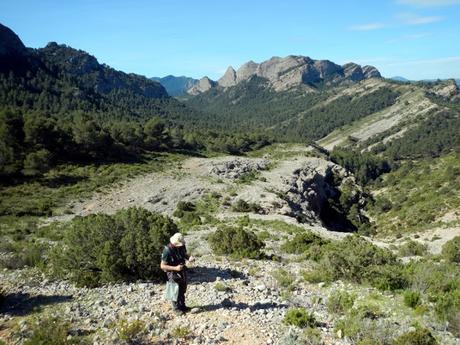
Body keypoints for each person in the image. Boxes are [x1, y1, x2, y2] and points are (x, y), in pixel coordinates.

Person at [160, 232, 193, 314]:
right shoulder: (167, 251)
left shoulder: (182, 246)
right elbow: (162, 266)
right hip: (172, 272)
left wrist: (189, 258)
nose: (181, 245)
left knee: (182, 288)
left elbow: (184, 254)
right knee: (174, 290)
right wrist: (175, 268)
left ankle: (182, 306)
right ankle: (176, 309)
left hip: (181, 270)